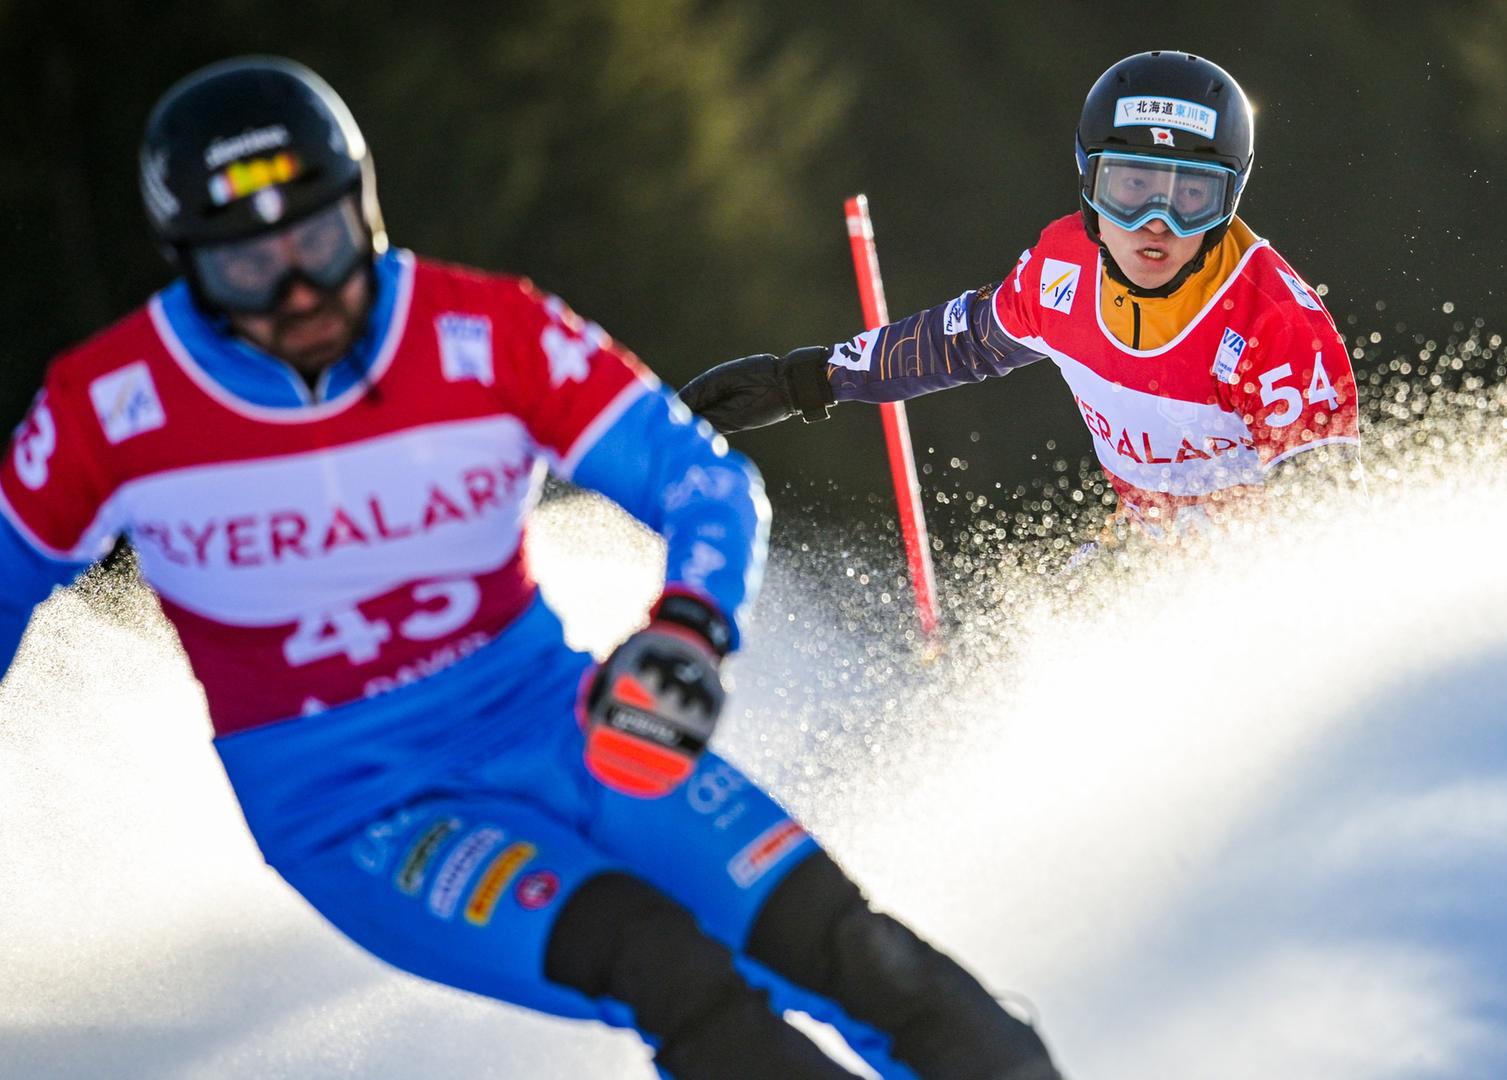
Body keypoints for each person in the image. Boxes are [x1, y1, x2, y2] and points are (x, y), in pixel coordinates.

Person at [0, 57, 1061, 1080]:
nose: (300, 289)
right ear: (185, 263)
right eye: (246, 266)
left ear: (362, 208)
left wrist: (687, 629)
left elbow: (702, 480)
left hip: (564, 727)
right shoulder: (108, 407)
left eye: (321, 239)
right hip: (357, 806)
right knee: (664, 967)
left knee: (858, 956)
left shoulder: (486, 331)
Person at [682, 50, 1360, 545]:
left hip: (1244, 585)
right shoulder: (1062, 271)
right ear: (1088, 181)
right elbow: (964, 341)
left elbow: (1327, 527)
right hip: (1140, 548)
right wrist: (805, 379)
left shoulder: (1275, 328)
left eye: (1191, 196)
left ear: (1229, 199)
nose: (1158, 223)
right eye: (1130, 187)